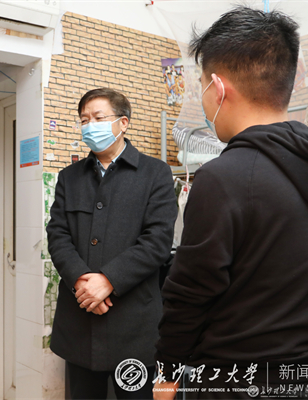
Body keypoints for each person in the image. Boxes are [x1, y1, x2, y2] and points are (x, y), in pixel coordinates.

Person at [154, 7, 308, 400]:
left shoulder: (223, 178)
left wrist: (167, 373)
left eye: (201, 86)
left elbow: (190, 294)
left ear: (218, 88)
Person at [46, 88, 177, 399]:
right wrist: (81, 279)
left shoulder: (155, 173)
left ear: (123, 123)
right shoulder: (69, 177)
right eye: (84, 120)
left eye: (98, 118)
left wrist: (108, 280)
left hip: (134, 325)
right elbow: (58, 234)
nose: (90, 126)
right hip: (79, 322)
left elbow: (158, 240)